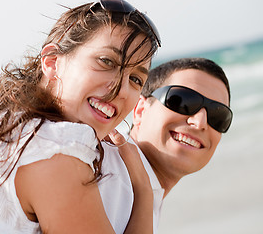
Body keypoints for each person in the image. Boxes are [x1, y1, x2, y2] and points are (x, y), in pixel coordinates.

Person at [0, 0, 161, 233]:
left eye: (136, 79)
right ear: (52, 61)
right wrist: (143, 191)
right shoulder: (54, 148)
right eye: (106, 62)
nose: (121, 90)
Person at [99, 57, 233, 233]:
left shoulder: (140, 190)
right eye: (182, 101)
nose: (200, 122)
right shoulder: (107, 174)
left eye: (218, 116)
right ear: (140, 110)